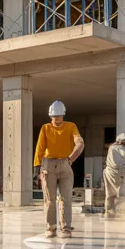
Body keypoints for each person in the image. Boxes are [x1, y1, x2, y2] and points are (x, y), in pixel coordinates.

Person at [34, 100, 84, 238]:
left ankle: (66, 228)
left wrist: (71, 158)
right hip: (48, 165)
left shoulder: (71, 126)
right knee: (49, 199)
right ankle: (51, 228)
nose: (56, 119)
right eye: (54, 117)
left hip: (65, 163)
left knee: (66, 198)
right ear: (50, 116)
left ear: (63, 115)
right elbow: (40, 147)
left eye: (59, 116)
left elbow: (79, 142)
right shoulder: (45, 128)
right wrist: (38, 166)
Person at [103, 133, 125, 218]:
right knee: (122, 193)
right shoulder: (119, 148)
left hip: (109, 172)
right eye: (124, 142)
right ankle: (123, 213)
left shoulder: (112, 147)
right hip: (118, 173)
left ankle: (109, 212)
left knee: (110, 194)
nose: (124, 144)